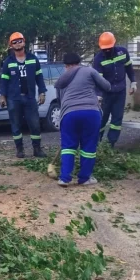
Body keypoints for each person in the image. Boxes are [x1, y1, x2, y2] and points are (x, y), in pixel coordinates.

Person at [54, 52, 112, 187]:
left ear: (66, 66)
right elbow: (107, 86)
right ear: (79, 62)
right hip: (91, 113)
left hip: (69, 114)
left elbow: (60, 100)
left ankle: (64, 178)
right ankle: (84, 178)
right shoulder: (90, 71)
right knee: (88, 147)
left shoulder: (61, 79)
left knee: (68, 147)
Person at [0, 32, 48, 159]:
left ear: (24, 42)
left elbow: (39, 77)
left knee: (35, 124)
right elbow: (4, 80)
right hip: (14, 99)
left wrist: (42, 92)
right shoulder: (8, 62)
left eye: (20, 40)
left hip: (30, 97)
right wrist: (2, 96)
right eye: (14, 42)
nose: (18, 43)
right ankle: (19, 150)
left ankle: (37, 149)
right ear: (11, 45)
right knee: (16, 124)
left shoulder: (33, 59)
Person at [93, 32, 137, 147]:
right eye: (104, 49)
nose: (106, 50)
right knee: (101, 118)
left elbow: (129, 68)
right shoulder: (98, 59)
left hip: (120, 91)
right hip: (106, 93)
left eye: (108, 48)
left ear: (114, 44)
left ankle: (111, 143)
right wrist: (98, 95)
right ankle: (96, 143)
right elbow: (98, 80)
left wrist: (133, 82)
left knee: (117, 119)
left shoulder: (123, 52)